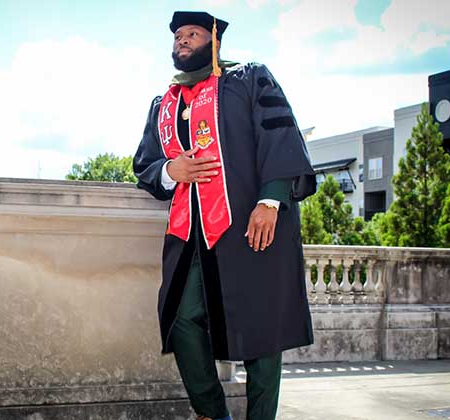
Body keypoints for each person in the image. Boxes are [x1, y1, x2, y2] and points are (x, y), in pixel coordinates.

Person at [132, 11, 317, 420]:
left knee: (261, 334)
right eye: (178, 35)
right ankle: (213, 413)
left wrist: (271, 201)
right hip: (191, 237)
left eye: (192, 33)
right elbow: (145, 162)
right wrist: (170, 170)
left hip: (250, 226)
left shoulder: (248, 79)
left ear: (214, 41)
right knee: (181, 320)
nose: (182, 40)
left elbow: (281, 135)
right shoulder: (165, 104)